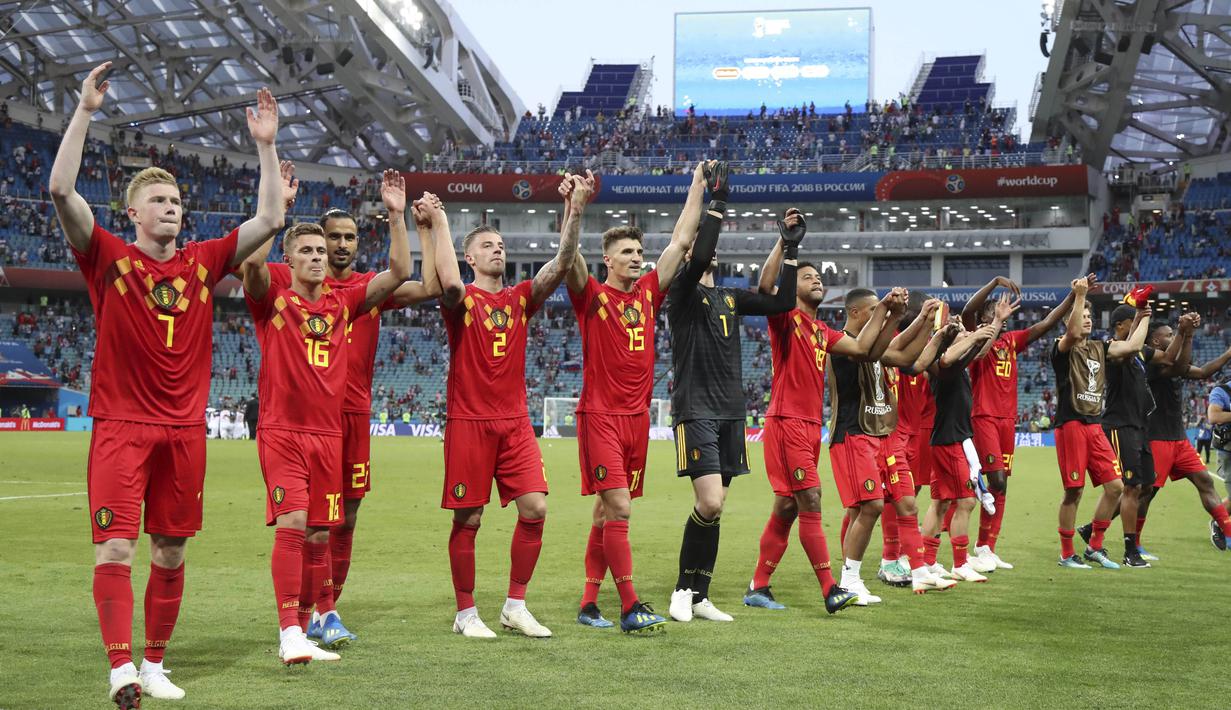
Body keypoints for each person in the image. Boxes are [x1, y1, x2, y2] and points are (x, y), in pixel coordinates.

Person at [50, 62, 288, 705]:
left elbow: (270, 219)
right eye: (159, 201)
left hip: (184, 431)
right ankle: (120, 669)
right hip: (122, 428)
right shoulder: (107, 256)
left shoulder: (203, 262)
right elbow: (61, 189)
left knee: (172, 551)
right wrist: (85, 111)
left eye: (177, 201)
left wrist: (266, 146)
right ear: (132, 213)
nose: (172, 208)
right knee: (115, 549)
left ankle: (154, 663)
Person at [247, 190, 444, 649]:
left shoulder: (360, 292)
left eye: (346, 238)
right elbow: (251, 267)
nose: (334, 247)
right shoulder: (284, 283)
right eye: (325, 240)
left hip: (347, 420)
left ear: (357, 242)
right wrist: (275, 211)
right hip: (296, 420)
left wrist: (405, 219)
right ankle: (302, 618)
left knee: (340, 519)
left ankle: (324, 609)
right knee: (302, 521)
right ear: (297, 254)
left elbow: (422, 283)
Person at [435, 172, 589, 639]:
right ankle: (466, 613)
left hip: (515, 423)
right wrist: (439, 222)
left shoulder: (520, 298)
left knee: (536, 508)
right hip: (469, 421)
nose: (497, 250)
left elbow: (563, 262)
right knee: (469, 517)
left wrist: (575, 210)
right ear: (470, 257)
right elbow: (446, 280)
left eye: (501, 245)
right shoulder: (461, 300)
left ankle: (514, 606)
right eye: (488, 245)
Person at [565, 163, 709, 634]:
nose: (637, 258)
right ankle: (630, 606)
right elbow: (568, 258)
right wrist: (574, 208)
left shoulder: (648, 294)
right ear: (607, 260)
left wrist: (697, 186)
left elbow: (681, 242)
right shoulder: (591, 296)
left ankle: (589, 604)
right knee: (621, 509)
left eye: (639, 251)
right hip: (600, 417)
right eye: (627, 252)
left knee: (605, 512)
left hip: (637, 420)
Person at [665, 163, 801, 624]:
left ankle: (700, 594)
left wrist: (790, 249)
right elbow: (700, 252)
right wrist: (717, 202)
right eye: (701, 249)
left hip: (731, 413)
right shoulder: (680, 293)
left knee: (716, 509)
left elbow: (783, 301)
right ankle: (682, 590)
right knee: (709, 502)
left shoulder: (729, 297)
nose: (710, 253)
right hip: (695, 411)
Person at [741, 213, 897, 613]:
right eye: (808, 277)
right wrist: (784, 243)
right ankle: (831, 588)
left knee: (787, 506)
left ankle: (758, 586)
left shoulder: (821, 330)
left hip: (811, 426)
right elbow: (766, 287)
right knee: (811, 498)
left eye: (818, 278)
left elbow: (861, 348)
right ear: (793, 287)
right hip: (787, 422)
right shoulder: (785, 318)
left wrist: (885, 310)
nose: (817, 281)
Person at [826, 289, 945, 602]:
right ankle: (849, 580)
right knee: (869, 507)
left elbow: (905, 357)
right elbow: (868, 350)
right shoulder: (841, 342)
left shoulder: (876, 347)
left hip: (878, 434)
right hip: (852, 433)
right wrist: (892, 312)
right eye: (872, 311)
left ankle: (907, 570)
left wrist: (925, 321)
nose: (878, 316)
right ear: (855, 312)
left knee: (891, 505)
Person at [962, 275, 1088, 570]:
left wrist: (1072, 296)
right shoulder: (975, 338)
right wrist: (994, 283)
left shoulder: (1010, 341)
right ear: (984, 318)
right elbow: (968, 310)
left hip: (1007, 421)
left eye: (1006, 314)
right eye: (997, 312)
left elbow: (1046, 324)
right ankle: (967, 542)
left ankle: (986, 547)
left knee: (1002, 486)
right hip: (984, 417)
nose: (1004, 316)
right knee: (995, 481)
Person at [1051, 278, 1150, 570]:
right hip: (1070, 424)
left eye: (1089, 316)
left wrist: (1143, 314)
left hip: (1095, 426)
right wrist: (1079, 294)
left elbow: (1133, 345)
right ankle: (1067, 553)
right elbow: (1071, 333)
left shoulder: (1100, 348)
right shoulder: (1061, 349)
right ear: (1069, 320)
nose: (1087, 320)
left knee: (1116, 487)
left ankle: (1094, 546)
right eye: (1081, 316)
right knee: (1074, 491)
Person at [1077, 304, 1181, 568]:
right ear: (1121, 325)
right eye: (1132, 322)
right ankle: (1129, 550)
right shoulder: (1114, 349)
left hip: (1140, 426)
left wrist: (1184, 333)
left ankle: (1092, 530)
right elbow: (1132, 347)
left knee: (1145, 487)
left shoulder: (1140, 354)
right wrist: (1143, 316)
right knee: (1130, 487)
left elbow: (1169, 357)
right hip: (1120, 425)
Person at [923, 311, 1003, 583]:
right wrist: (977, 334)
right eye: (963, 334)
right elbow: (949, 357)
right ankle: (960, 563)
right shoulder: (945, 363)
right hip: (950, 440)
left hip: (949, 438)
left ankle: (928, 561)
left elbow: (980, 351)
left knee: (940, 502)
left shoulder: (957, 364)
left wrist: (995, 324)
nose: (968, 334)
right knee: (966, 501)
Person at [1139, 319, 1231, 554]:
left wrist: (1228, 353)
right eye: (1169, 335)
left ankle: (1228, 533)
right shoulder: (1151, 364)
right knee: (1145, 493)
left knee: (1205, 481)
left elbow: (1204, 372)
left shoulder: (1175, 364)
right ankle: (1131, 541)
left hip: (1180, 440)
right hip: (1157, 437)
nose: (1173, 337)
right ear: (1155, 341)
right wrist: (1186, 334)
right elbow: (1179, 366)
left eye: (1174, 333)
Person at [1210, 378, 1231, 550]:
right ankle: (1218, 523)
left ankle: (1218, 520)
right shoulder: (1223, 391)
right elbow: (1214, 416)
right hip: (1228, 452)